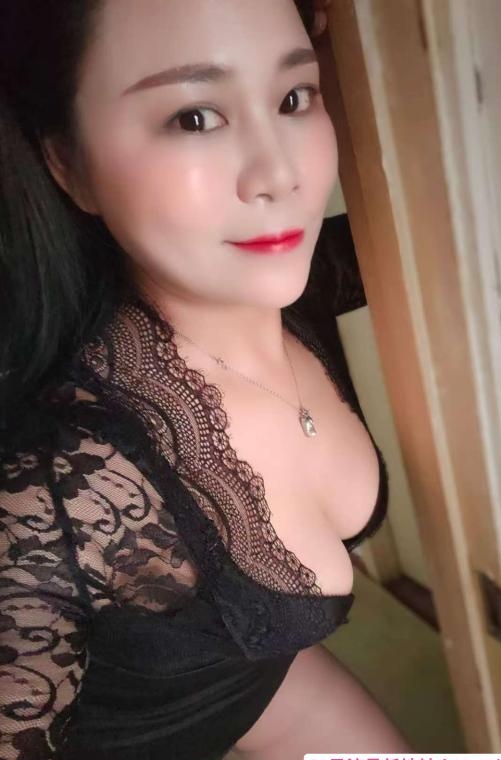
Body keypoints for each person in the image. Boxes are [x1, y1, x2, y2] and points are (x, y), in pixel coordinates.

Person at [0, 1, 413, 758]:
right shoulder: (61, 499)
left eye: (294, 97)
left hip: (256, 677)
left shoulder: (289, 283)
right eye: (194, 118)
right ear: (68, 163)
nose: (281, 175)